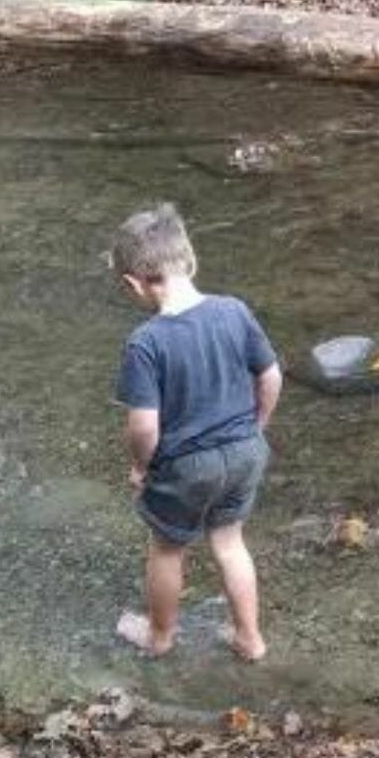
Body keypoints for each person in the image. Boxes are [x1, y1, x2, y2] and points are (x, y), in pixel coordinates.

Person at [109, 203, 282, 661]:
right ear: (190, 260)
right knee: (229, 542)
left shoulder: (146, 342)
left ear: (134, 283)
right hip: (245, 451)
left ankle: (160, 637)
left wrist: (141, 467)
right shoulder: (234, 311)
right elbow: (271, 377)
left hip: (187, 466)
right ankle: (250, 639)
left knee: (167, 549)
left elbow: (144, 425)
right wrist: (256, 429)